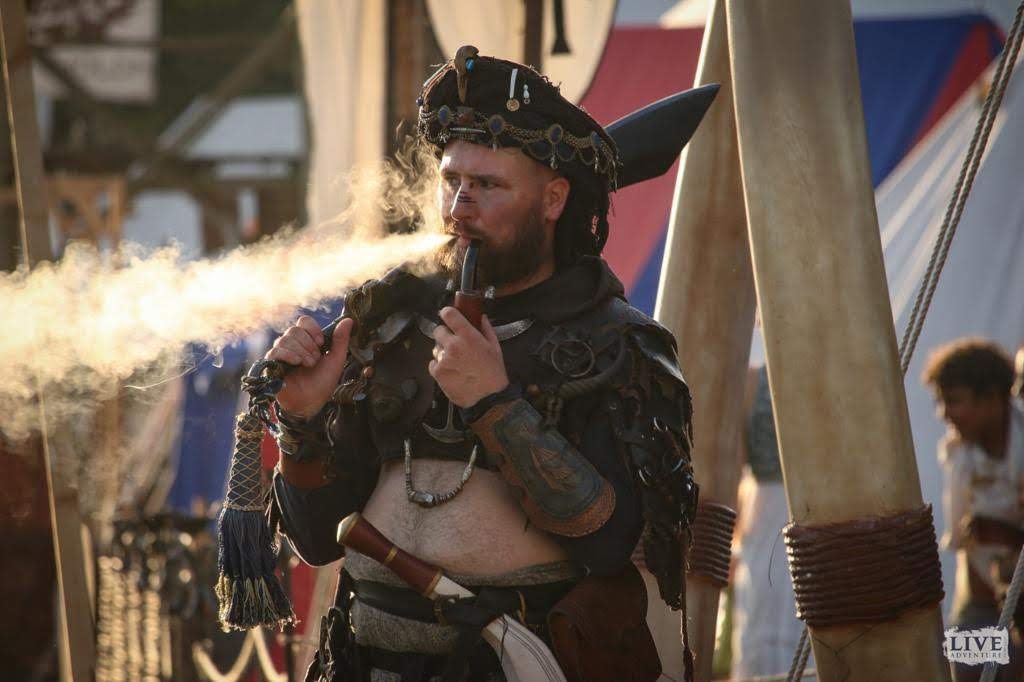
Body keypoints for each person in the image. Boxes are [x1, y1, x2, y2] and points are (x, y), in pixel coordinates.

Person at [264, 46, 702, 681]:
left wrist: (494, 402)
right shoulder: (392, 326)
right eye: (452, 181)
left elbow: (609, 546)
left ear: (554, 200)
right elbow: (314, 537)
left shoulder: (614, 344)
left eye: (488, 185)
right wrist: (302, 421)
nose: (459, 206)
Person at [924, 338, 1024, 682]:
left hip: (1020, 599)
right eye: (940, 402)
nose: (944, 413)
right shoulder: (957, 452)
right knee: (969, 673)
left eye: (954, 400)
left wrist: (1004, 534)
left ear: (993, 397)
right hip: (978, 600)